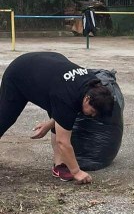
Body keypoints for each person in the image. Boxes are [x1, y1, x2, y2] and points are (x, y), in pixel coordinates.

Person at [0, 52, 115, 184]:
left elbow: (63, 114)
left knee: (64, 116)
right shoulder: (68, 96)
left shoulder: (93, 84)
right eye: (93, 111)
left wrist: (49, 124)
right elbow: (62, 141)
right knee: (5, 118)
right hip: (20, 73)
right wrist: (76, 172)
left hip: (49, 72)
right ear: (87, 99)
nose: (93, 116)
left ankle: (59, 165)